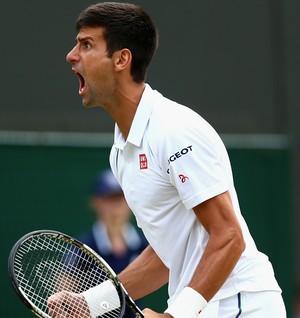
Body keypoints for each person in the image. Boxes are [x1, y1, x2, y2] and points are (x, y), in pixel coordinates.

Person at [48, 2, 286, 317]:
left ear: (121, 59)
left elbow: (229, 237)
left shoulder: (174, 130)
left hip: (241, 304)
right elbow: (166, 254)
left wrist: (175, 315)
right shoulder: (121, 150)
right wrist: (90, 303)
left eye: (87, 44)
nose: (72, 55)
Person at [77, 169, 148, 317]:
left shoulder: (144, 245)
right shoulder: (82, 247)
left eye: (120, 198)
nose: (116, 206)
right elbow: (64, 291)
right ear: (96, 203)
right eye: (109, 199)